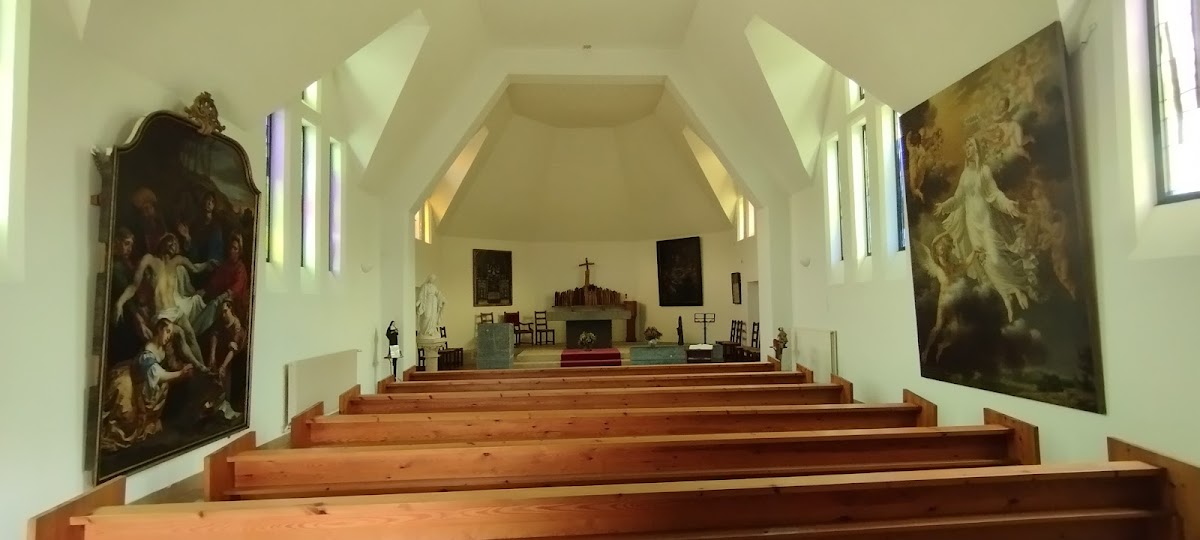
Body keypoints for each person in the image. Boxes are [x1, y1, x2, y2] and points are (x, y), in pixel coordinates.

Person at [934, 137, 1034, 322]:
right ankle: (1007, 299)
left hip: (985, 221)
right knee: (987, 265)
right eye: (967, 146)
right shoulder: (965, 175)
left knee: (995, 258)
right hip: (972, 224)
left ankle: (1016, 288)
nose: (968, 148)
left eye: (971, 145)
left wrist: (1008, 204)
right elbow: (958, 198)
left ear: (977, 149)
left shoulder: (984, 171)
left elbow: (995, 194)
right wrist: (944, 206)